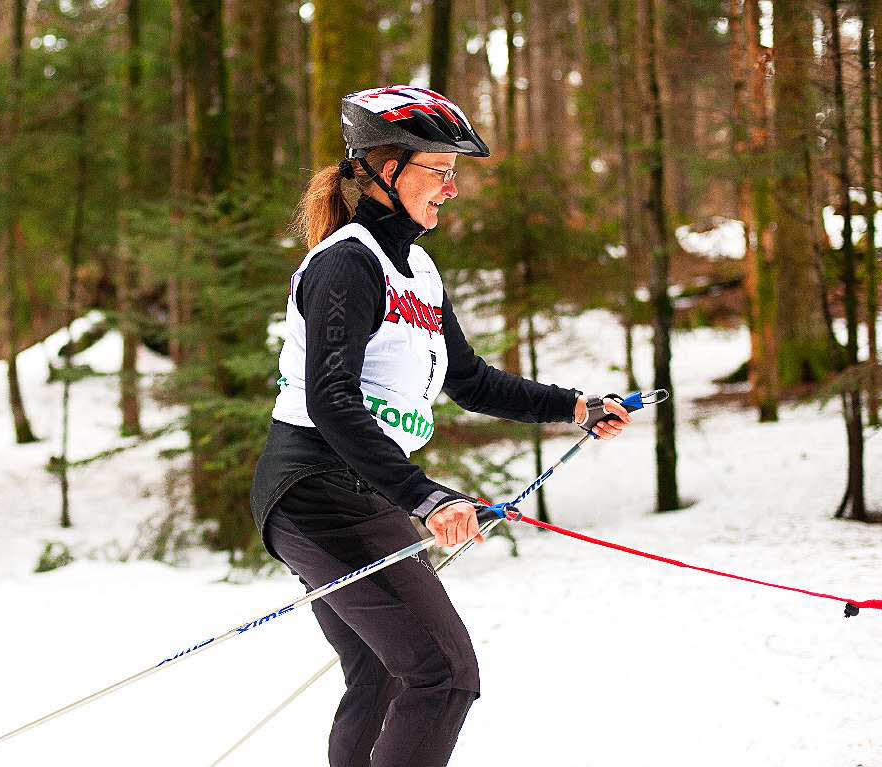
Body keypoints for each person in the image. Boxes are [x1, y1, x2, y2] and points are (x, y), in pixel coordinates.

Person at [249, 85, 630, 767]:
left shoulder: (415, 269)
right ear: (382, 169)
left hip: (356, 490)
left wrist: (575, 406)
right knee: (444, 673)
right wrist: (425, 495)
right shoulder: (346, 263)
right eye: (439, 170)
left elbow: (470, 377)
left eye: (455, 173)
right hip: (315, 490)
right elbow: (333, 399)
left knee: (388, 675)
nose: (451, 189)